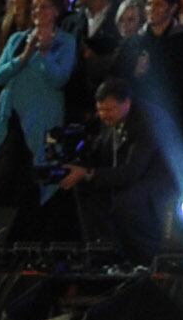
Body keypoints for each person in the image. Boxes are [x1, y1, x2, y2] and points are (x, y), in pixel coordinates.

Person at [51, 77, 170, 256]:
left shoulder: (147, 121)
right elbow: (100, 153)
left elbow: (132, 171)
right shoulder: (108, 121)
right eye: (100, 110)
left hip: (155, 180)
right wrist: (77, 168)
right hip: (125, 175)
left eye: (109, 109)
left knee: (125, 202)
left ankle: (146, 257)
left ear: (126, 103)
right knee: (84, 190)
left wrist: (89, 173)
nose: (103, 115)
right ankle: (102, 252)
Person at [0, 0, 79, 205]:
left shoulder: (65, 42)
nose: (38, 11)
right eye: (35, 6)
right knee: (3, 176)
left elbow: (59, 79)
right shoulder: (17, 39)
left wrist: (45, 54)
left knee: (37, 179)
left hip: (43, 121)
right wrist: (24, 56)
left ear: (56, 11)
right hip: (11, 119)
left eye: (44, 6)